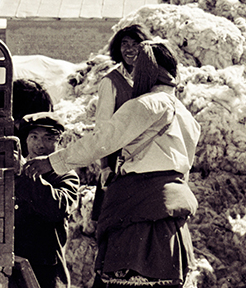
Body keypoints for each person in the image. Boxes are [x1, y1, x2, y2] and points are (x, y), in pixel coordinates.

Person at [24, 40, 201, 287]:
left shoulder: (146, 104)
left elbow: (102, 141)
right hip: (170, 212)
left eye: (136, 69)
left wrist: (54, 162)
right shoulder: (186, 115)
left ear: (147, 71)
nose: (133, 76)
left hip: (139, 209)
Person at [92, 24, 153, 220]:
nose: (130, 49)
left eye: (136, 44)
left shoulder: (152, 78)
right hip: (118, 159)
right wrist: (104, 166)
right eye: (125, 44)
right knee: (115, 218)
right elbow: (103, 127)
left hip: (147, 157)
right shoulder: (111, 82)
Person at [14, 112, 80, 288]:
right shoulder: (14, 172)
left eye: (48, 138)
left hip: (46, 269)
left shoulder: (65, 175)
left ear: (59, 141)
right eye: (34, 137)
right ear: (26, 140)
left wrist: (27, 174)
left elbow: (56, 209)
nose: (40, 144)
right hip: (13, 266)